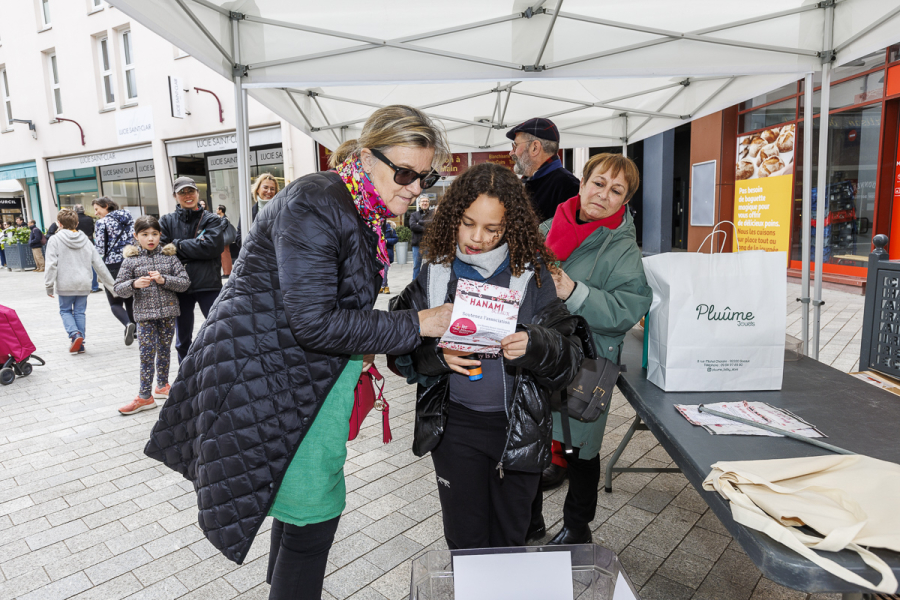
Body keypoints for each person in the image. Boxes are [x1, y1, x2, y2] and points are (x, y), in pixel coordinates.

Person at [144, 105, 454, 600]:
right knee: (313, 518)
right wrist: (417, 324)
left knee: (294, 510)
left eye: (426, 176)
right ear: (366, 156)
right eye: (406, 173)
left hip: (291, 373)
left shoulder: (356, 204)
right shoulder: (319, 200)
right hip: (272, 377)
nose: (417, 188)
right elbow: (314, 321)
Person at [389, 162, 588, 550]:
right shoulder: (435, 274)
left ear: (510, 226)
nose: (476, 238)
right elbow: (398, 352)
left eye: (492, 229)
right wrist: (437, 356)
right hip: (454, 431)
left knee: (510, 542)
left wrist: (535, 344)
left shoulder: (534, 276)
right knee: (465, 542)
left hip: (519, 431)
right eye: (467, 223)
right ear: (453, 217)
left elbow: (571, 358)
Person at [536, 152, 652, 546]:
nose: (603, 194)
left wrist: (573, 291)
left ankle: (577, 526)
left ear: (624, 201)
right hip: (538, 352)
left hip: (585, 360)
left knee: (579, 446)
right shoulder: (548, 226)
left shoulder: (623, 248)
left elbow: (629, 309)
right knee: (531, 436)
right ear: (582, 183)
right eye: (598, 183)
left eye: (616, 190)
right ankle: (530, 519)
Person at [114, 215, 191, 415]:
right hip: (144, 316)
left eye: (155, 234)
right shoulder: (130, 261)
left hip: (168, 313)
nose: (150, 239)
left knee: (164, 351)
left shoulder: (169, 257)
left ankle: (162, 385)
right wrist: (133, 284)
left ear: (160, 235)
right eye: (145, 234)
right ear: (136, 236)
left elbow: (184, 283)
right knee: (147, 355)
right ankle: (144, 396)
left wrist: (164, 279)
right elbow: (118, 288)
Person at [158, 177, 226, 363]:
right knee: (182, 339)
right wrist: (196, 247)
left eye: (190, 191)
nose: (187, 196)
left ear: (197, 193)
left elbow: (212, 247)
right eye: (182, 192)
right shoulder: (166, 221)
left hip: (208, 284)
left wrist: (176, 245)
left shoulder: (211, 219)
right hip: (179, 287)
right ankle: (185, 378)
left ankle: (217, 370)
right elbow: (161, 249)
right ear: (175, 196)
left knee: (219, 331)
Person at [44, 209, 116, 354]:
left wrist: (49, 286)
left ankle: (75, 335)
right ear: (77, 223)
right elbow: (99, 264)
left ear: (59, 223)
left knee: (65, 310)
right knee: (79, 312)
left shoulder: (55, 239)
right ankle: (80, 343)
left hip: (65, 283)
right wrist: (112, 286)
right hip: (84, 282)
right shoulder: (86, 240)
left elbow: (51, 264)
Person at [507, 118, 580, 223]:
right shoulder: (529, 181)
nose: (511, 153)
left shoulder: (568, 187)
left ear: (535, 148)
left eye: (515, 146)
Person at [93, 197, 138, 345]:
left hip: (112, 265)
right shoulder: (129, 218)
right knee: (130, 299)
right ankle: (136, 329)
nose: (96, 213)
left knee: (115, 302)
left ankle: (127, 324)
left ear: (106, 206)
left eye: (97, 209)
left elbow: (99, 247)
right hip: (130, 261)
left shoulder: (102, 223)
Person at [234, 173, 280, 250]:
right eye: (265, 187)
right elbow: (239, 238)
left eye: (272, 189)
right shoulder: (248, 213)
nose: (269, 191)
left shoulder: (281, 211)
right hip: (255, 258)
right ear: (258, 189)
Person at [74, 204, 100, 293]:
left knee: (79, 266)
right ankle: (94, 287)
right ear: (84, 210)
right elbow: (93, 230)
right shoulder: (89, 219)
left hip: (77, 244)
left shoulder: (74, 220)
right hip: (89, 242)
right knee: (92, 265)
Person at [409, 195, 432, 280]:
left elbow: (434, 223)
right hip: (417, 244)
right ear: (419, 204)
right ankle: (414, 285)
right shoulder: (414, 215)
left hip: (429, 244)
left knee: (431, 266)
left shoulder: (433, 214)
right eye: (423, 201)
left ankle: (429, 284)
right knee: (416, 266)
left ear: (429, 203)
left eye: (426, 201)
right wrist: (427, 228)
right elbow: (412, 226)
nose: (424, 203)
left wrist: (420, 222)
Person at [216, 204, 235, 277]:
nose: (216, 210)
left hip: (224, 240)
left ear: (221, 211)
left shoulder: (224, 219)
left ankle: (227, 272)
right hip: (223, 240)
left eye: (217, 209)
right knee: (224, 256)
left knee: (225, 256)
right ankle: (226, 272)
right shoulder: (222, 219)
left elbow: (221, 228)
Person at [381, 220, 398, 294]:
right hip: (378, 252)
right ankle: (385, 286)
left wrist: (387, 241)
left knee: (385, 270)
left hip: (387, 252)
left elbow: (396, 239)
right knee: (381, 270)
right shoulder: (375, 227)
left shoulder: (390, 229)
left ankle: (383, 286)